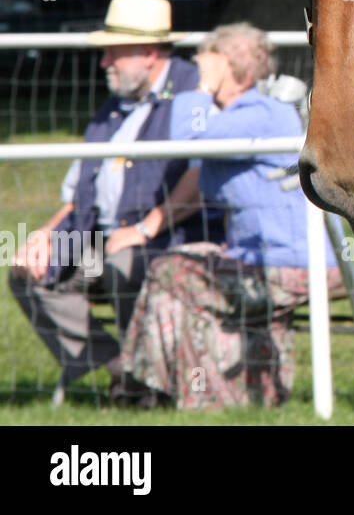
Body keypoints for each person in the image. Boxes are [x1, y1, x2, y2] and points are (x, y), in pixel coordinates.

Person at [8, 0, 222, 405]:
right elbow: (76, 195)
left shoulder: (193, 93)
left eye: (113, 52)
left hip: (168, 238)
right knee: (24, 270)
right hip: (95, 237)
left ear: (147, 52)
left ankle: (150, 384)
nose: (104, 62)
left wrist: (143, 229)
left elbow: (200, 178)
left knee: (124, 264)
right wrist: (45, 235)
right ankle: (120, 369)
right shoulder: (110, 110)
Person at [117, 23, 339, 409]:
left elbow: (188, 136)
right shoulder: (236, 118)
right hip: (257, 261)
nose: (196, 66)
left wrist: (202, 87)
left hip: (295, 265)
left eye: (206, 58)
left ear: (230, 64)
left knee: (170, 273)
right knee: (175, 275)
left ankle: (144, 386)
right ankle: (180, 395)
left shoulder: (263, 113)